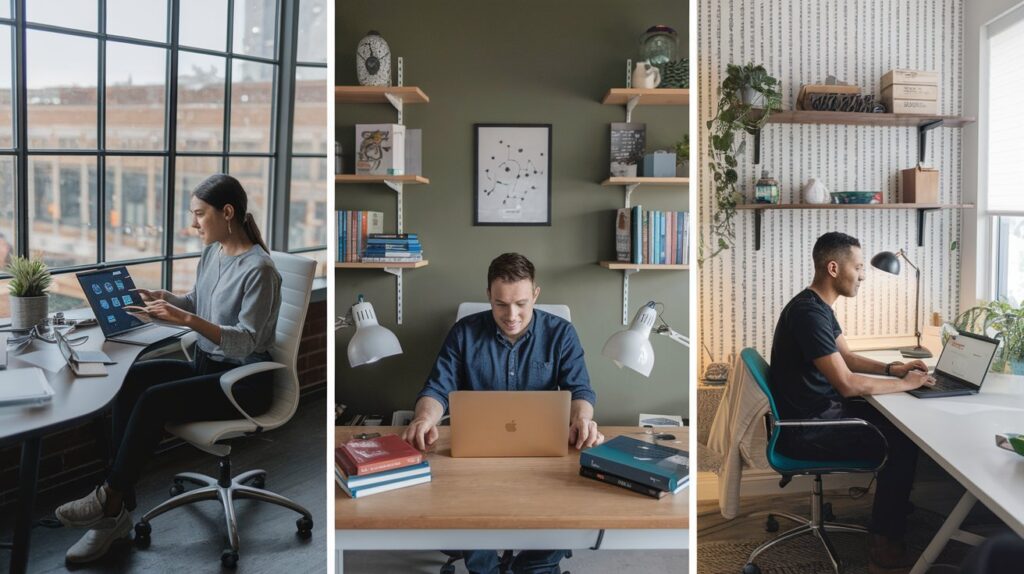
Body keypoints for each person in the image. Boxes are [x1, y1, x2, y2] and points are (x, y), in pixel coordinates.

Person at [53, 174, 282, 564]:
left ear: (227, 213)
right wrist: (168, 299)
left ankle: (107, 501)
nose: (194, 224)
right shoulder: (213, 253)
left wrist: (184, 320)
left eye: (199, 214)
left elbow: (244, 339)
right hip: (207, 365)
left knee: (155, 400)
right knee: (132, 379)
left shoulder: (260, 269)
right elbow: (198, 302)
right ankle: (118, 509)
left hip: (243, 383)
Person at [402, 252, 602, 574]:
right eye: (501, 304)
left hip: (542, 454)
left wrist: (582, 419)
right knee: (459, 506)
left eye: (521, 303)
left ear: (535, 294)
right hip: (475, 458)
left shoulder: (561, 333)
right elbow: (437, 390)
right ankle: (485, 569)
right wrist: (424, 418)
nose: (512, 315)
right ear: (488, 297)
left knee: (572, 501)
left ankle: (533, 566)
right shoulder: (463, 332)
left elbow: (580, 391)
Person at [769, 231, 936, 574]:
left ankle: (891, 509)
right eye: (859, 266)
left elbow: (847, 357)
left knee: (902, 425)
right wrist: (904, 384)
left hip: (820, 411)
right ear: (833, 268)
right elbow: (846, 384)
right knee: (901, 443)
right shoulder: (809, 314)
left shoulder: (817, 306)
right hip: (809, 427)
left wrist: (894, 368)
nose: (863, 274)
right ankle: (883, 544)